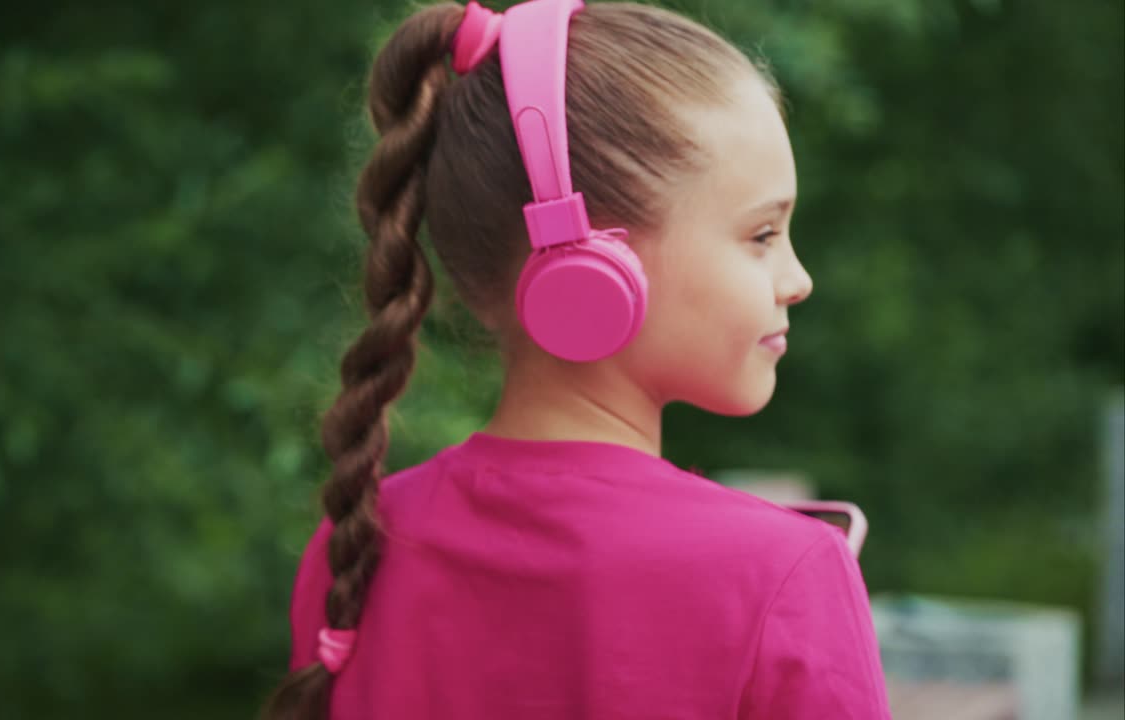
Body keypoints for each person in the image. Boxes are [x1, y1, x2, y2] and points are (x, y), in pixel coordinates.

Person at [261, 0, 892, 717]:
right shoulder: (784, 575)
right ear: (586, 268)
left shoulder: (352, 550)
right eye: (762, 234)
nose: (797, 278)